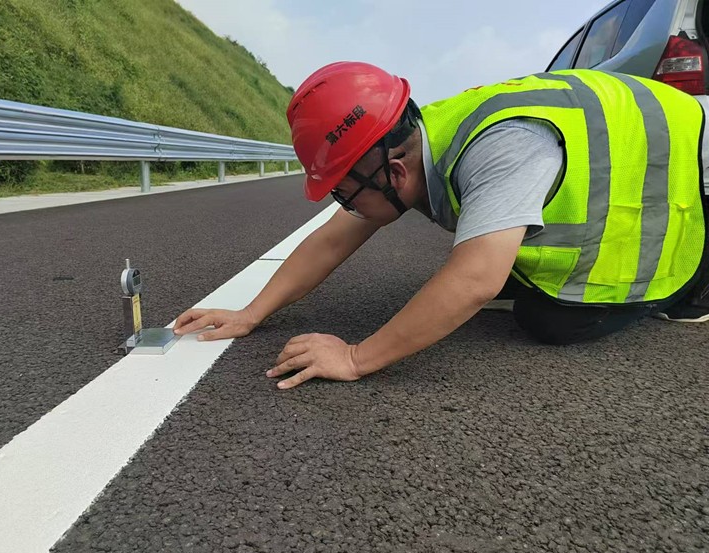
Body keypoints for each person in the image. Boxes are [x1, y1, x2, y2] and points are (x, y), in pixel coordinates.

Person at [173, 62, 709, 390]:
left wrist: (357, 358)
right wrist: (250, 314)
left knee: (547, 321)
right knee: (490, 264)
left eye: (343, 189)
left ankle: (694, 287)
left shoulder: (499, 149)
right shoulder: (423, 136)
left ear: (395, 170)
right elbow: (336, 236)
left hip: (688, 194)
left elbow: (475, 281)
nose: (343, 204)